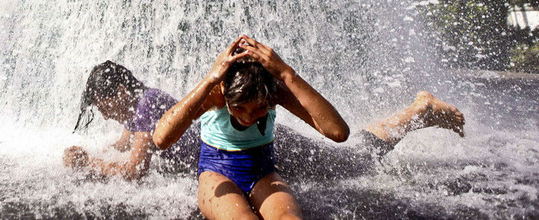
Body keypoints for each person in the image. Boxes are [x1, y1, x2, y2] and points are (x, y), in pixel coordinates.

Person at [152, 35, 465, 220]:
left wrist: (287, 74)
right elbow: (161, 138)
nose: (248, 117)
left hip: (264, 167)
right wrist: (210, 78)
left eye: (259, 109)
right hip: (217, 171)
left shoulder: (276, 90)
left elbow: (337, 132)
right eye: (240, 109)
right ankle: (420, 111)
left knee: (355, 161)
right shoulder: (216, 94)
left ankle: (420, 111)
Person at [63, 60, 200, 179]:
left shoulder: (146, 104)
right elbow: (122, 146)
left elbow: (135, 171)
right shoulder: (135, 106)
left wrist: (88, 163)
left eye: (106, 108)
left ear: (121, 92)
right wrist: (86, 155)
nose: (105, 117)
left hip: (208, 160)